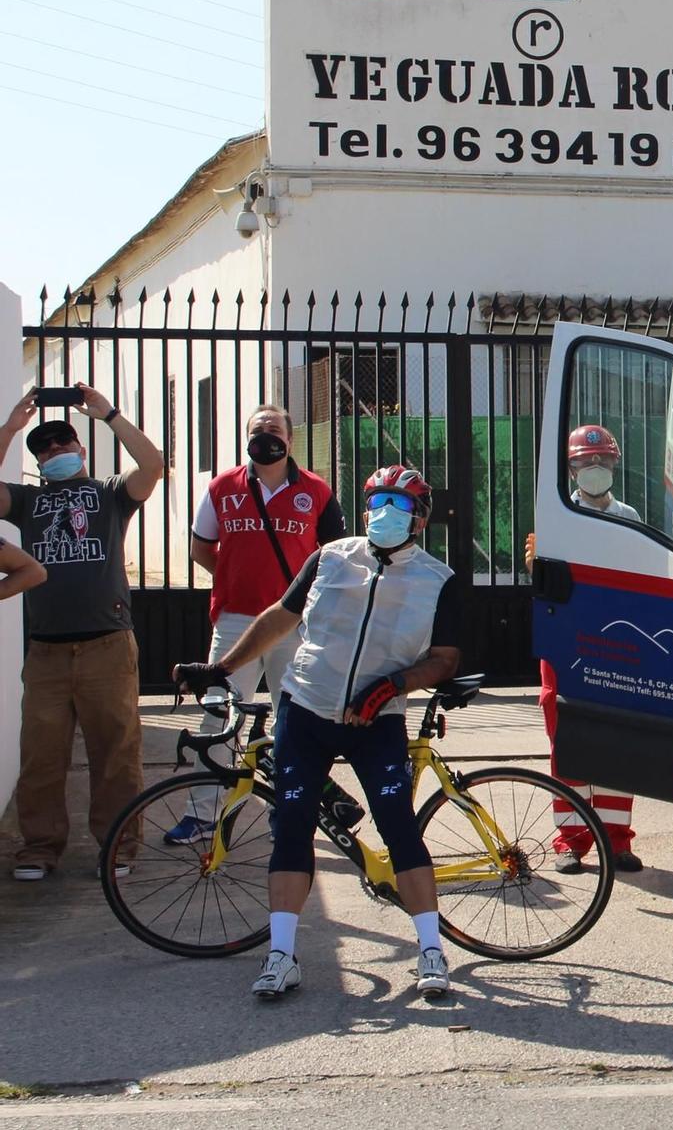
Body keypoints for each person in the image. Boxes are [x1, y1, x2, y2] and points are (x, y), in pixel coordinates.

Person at [174, 464, 462, 1001]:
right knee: (291, 828)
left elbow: (444, 659)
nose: (385, 514)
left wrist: (397, 683)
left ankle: (431, 951)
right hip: (305, 710)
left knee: (399, 828)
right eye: (377, 502)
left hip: (377, 721)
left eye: (399, 505)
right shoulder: (330, 557)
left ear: (419, 519)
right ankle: (281, 956)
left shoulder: (436, 580)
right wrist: (223, 668)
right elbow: (280, 618)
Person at [0, 385, 164, 883]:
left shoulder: (111, 494)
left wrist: (108, 413)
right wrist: (10, 429)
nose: (53, 453)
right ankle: (39, 847)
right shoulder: (28, 501)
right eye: (43, 449)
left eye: (61, 444)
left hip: (107, 645)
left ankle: (119, 847)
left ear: (81, 448)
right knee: (41, 756)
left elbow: (154, 464)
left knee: (116, 753)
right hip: (48, 651)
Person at [166, 405, 346, 844]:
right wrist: (234, 580)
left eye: (275, 427)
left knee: (295, 720)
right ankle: (202, 814)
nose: (267, 434)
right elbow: (201, 548)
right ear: (246, 435)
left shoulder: (317, 492)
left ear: (290, 437)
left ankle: (290, 810)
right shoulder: (222, 487)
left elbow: (335, 557)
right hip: (236, 622)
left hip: (293, 625)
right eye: (258, 428)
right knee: (218, 715)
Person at [536, 424, 642, 875]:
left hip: (617, 643)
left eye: (602, 461)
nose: (594, 470)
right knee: (569, 743)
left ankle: (616, 841)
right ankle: (570, 842)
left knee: (619, 742)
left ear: (614, 465)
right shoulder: (554, 517)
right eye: (585, 462)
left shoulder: (631, 518)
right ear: (571, 468)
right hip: (566, 643)